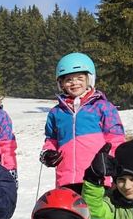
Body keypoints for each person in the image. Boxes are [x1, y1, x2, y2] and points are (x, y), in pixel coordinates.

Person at [39, 52, 125, 191]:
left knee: (96, 212)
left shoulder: (103, 107)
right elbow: (51, 139)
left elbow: (116, 140)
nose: (74, 83)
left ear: (89, 79)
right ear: (61, 83)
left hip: (97, 176)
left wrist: (113, 165)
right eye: (69, 80)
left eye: (79, 78)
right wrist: (47, 153)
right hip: (66, 180)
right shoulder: (56, 112)